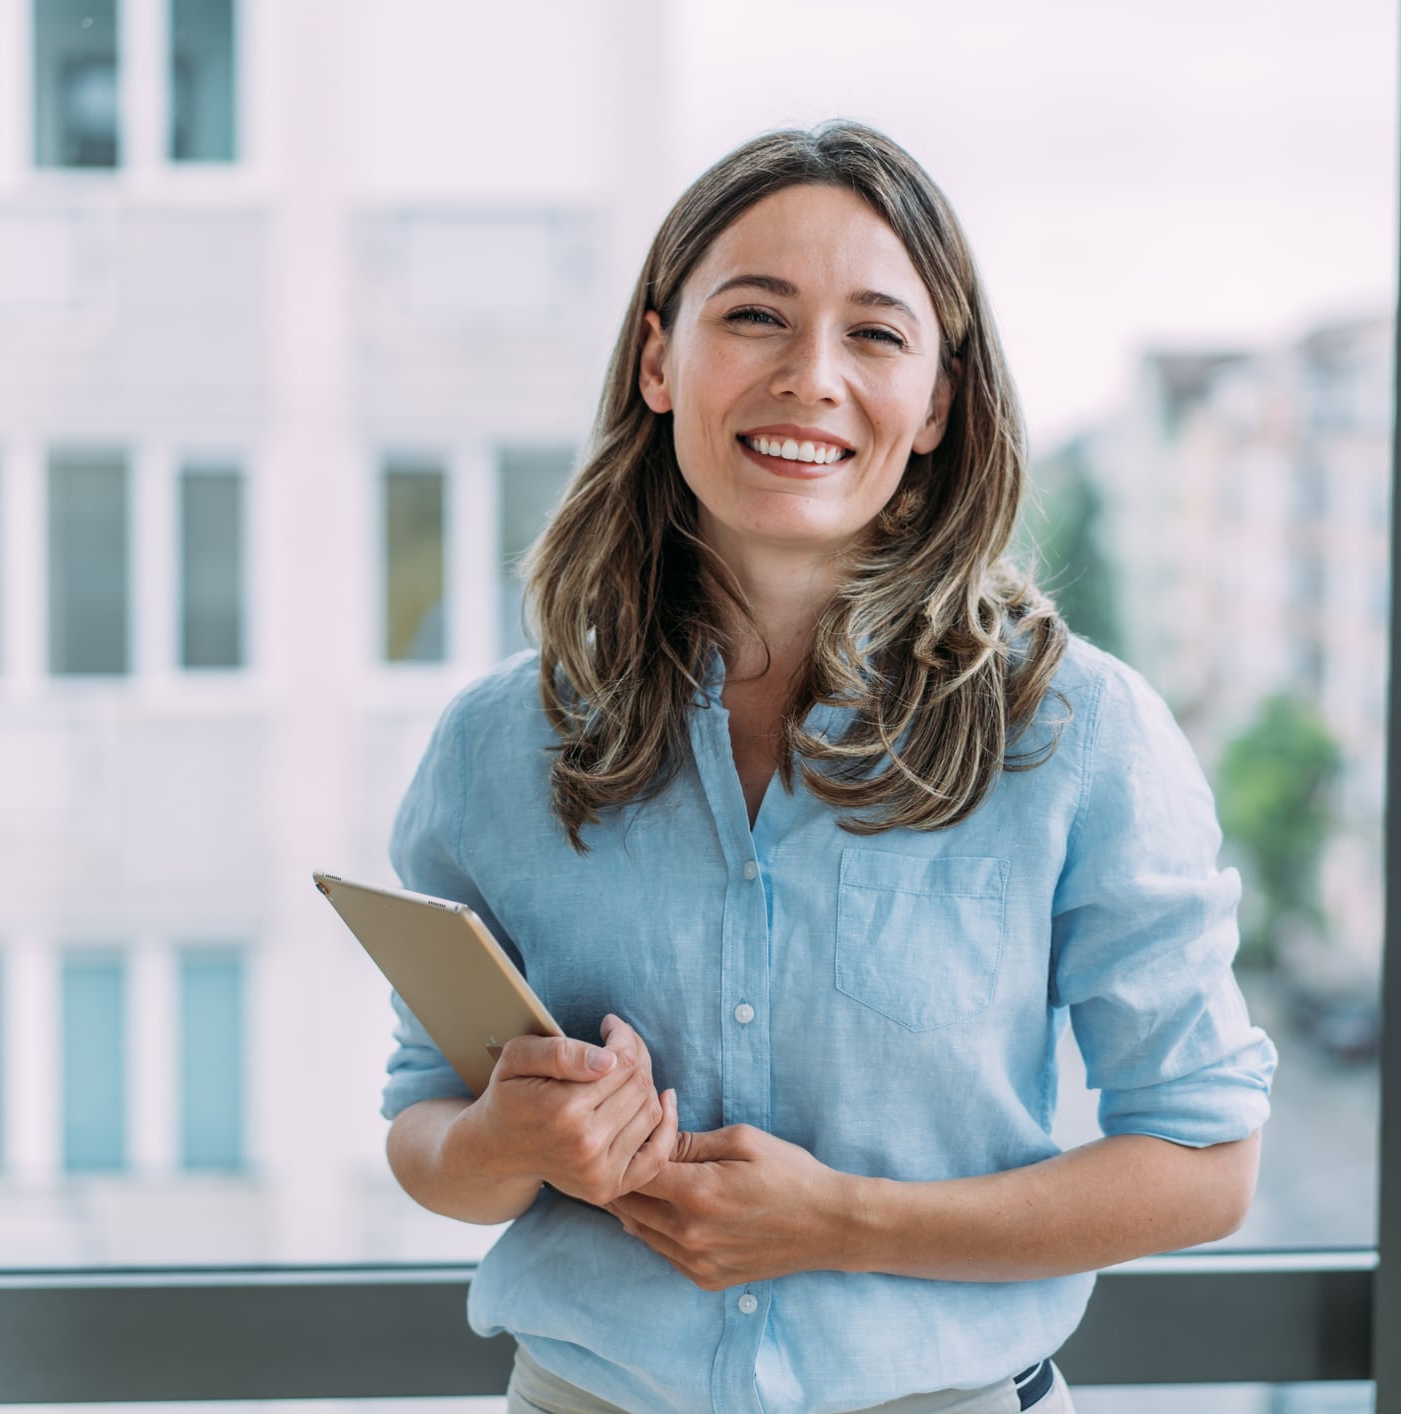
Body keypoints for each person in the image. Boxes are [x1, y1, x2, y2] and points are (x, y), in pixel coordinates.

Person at [379, 120, 1277, 1414]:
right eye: (754, 316)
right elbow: (427, 1131)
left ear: (936, 406)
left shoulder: (1079, 733)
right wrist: (499, 1141)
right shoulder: (494, 745)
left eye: (874, 332)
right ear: (656, 360)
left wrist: (843, 1221)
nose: (810, 376)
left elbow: (1204, 1164)